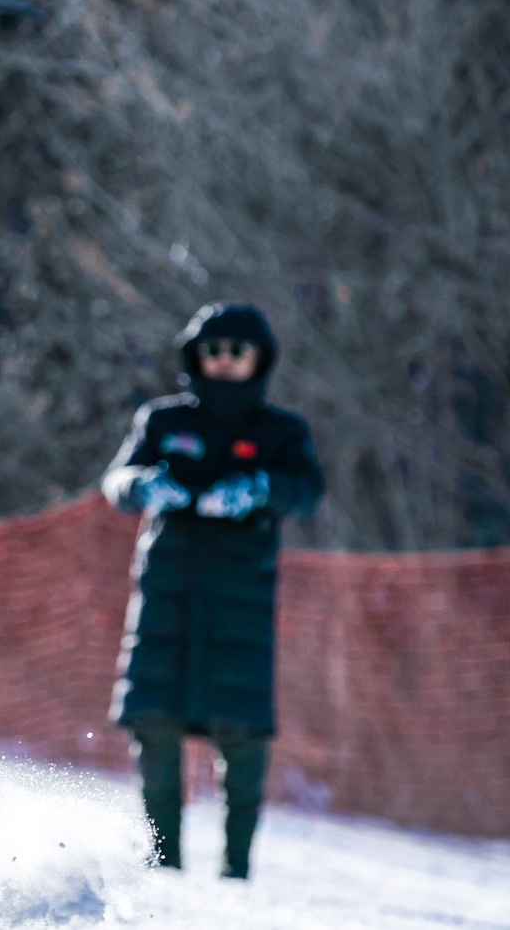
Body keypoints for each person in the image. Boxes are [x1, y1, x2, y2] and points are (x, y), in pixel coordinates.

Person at [101, 303, 323, 878]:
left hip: (240, 610)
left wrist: (260, 490)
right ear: (196, 355)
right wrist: (144, 485)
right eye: (213, 350)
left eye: (236, 351)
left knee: (243, 736)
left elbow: (306, 490)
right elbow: (117, 480)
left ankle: (237, 871)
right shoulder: (162, 421)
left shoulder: (281, 432)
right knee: (154, 726)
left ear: (258, 359)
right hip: (164, 601)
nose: (224, 361)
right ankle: (163, 863)